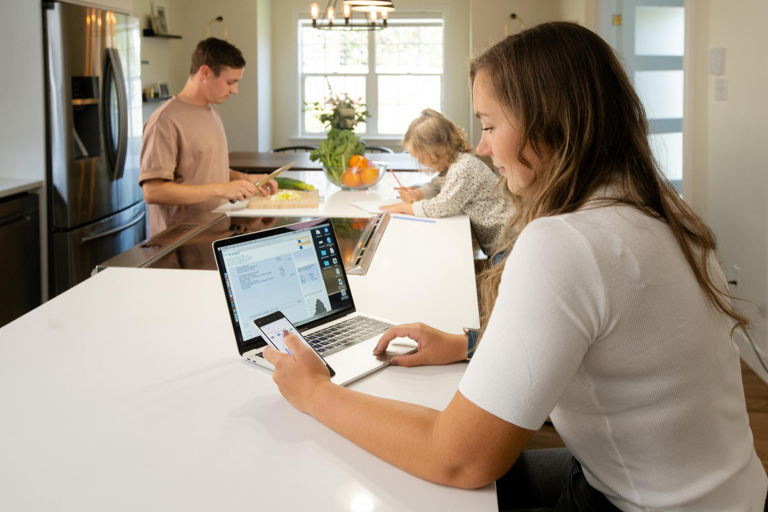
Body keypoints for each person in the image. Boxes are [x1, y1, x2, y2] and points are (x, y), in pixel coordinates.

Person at [263, 22, 768, 511]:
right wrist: (465, 344)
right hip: (724, 489)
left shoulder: (566, 242)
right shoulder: (662, 210)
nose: (482, 146)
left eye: (488, 125)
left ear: (549, 124)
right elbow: (601, 339)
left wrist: (315, 392)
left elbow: (459, 460)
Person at [139, 38, 276, 236]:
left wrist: (245, 179)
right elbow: (153, 192)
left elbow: (204, 166)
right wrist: (222, 189)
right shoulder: (164, 121)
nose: (235, 90)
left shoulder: (210, 110)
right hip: (179, 241)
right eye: (230, 82)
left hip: (214, 231)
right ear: (205, 73)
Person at [380, 108, 511, 256]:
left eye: (420, 157)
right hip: (498, 243)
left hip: (508, 245)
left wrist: (405, 207)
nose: (420, 161)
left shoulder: (463, 168)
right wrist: (417, 193)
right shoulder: (454, 164)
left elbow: (442, 206)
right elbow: (436, 185)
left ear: (435, 151)